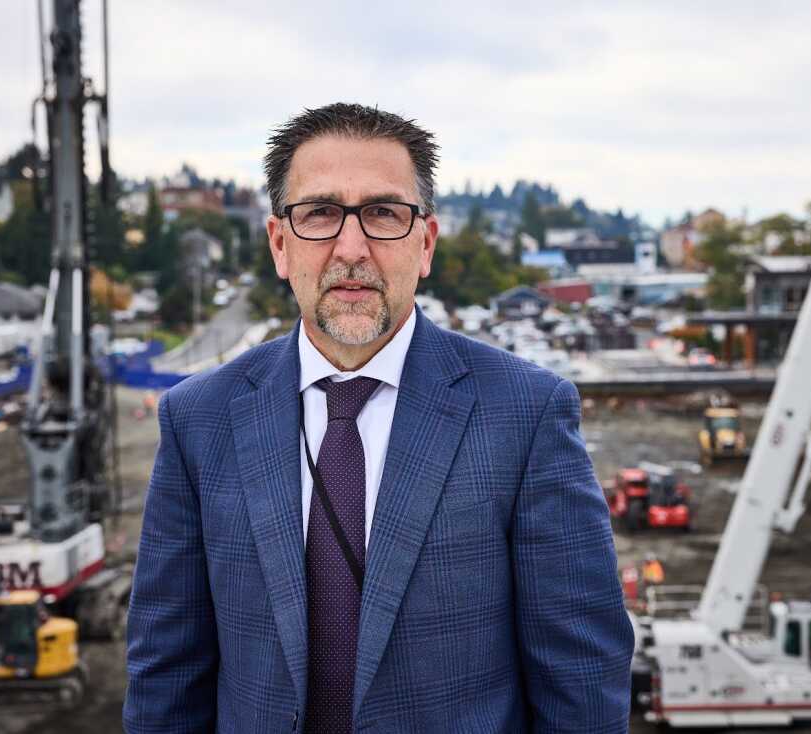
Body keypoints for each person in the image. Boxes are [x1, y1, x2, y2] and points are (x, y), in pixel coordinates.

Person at [124, 103, 634, 734]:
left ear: (425, 243)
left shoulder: (526, 414)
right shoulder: (198, 419)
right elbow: (166, 681)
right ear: (280, 245)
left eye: (384, 214)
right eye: (319, 214)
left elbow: (581, 685)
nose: (352, 248)